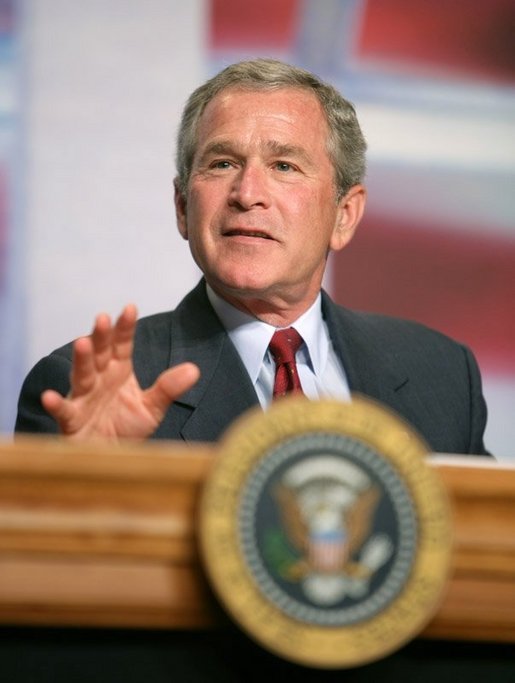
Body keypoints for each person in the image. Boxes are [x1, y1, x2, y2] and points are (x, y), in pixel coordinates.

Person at [15, 58, 488, 454]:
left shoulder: (441, 374)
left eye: (284, 165)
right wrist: (89, 477)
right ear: (183, 207)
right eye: (222, 164)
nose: (247, 193)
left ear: (345, 214)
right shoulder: (82, 392)